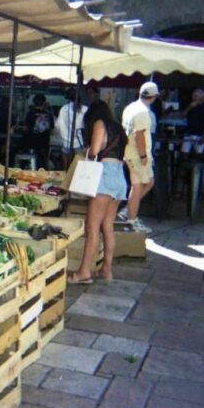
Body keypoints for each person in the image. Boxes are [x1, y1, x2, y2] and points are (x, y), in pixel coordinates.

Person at [68, 100, 128, 284]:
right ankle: (106, 270)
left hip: (105, 174)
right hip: (119, 176)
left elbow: (94, 151)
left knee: (92, 227)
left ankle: (84, 272)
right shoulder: (118, 127)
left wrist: (88, 150)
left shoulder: (100, 123)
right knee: (107, 225)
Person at [119, 81, 158, 233]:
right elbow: (139, 134)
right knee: (140, 186)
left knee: (145, 183)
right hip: (137, 154)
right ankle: (131, 219)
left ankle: (129, 212)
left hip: (129, 152)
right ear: (153, 97)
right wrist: (143, 155)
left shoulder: (130, 107)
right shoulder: (143, 112)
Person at [55, 87, 87, 169]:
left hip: (66, 143)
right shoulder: (85, 109)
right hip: (80, 143)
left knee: (66, 168)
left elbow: (58, 125)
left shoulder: (64, 109)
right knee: (79, 168)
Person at [24, 94, 54, 169]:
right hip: (45, 142)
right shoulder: (49, 114)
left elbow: (26, 128)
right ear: (44, 103)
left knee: (32, 162)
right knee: (43, 162)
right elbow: (51, 130)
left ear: (34, 102)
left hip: (31, 142)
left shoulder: (30, 113)